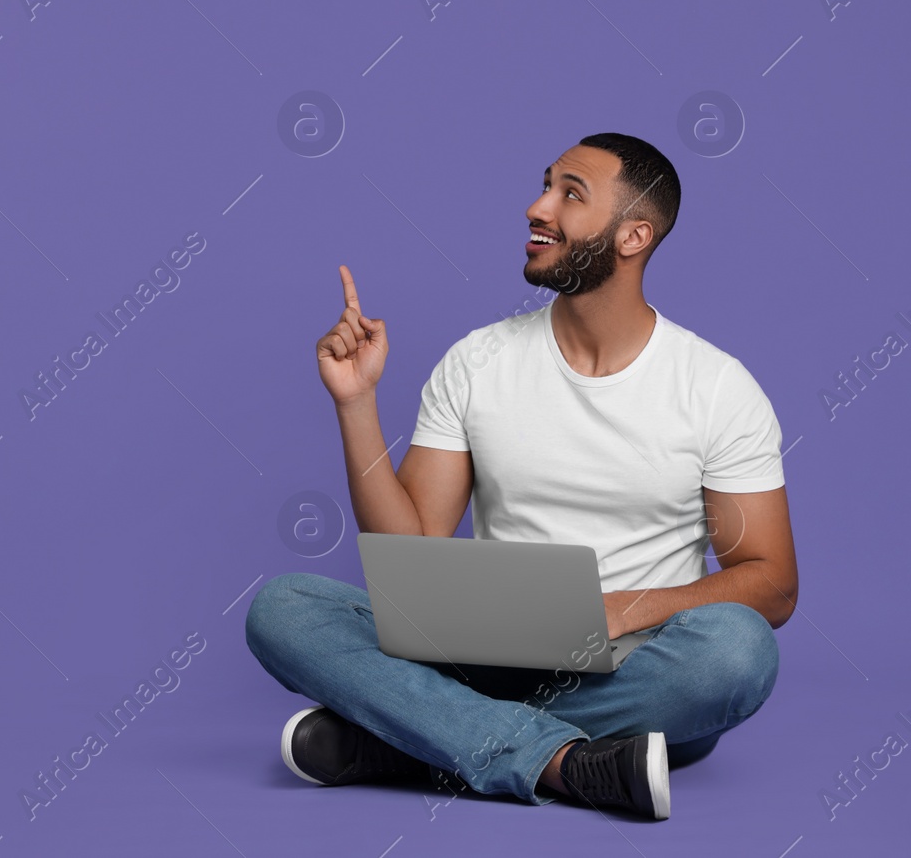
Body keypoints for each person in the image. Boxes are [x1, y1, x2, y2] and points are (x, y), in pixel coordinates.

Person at [245, 133, 796, 820]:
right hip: (481, 648)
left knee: (737, 654)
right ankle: (567, 761)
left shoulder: (715, 387)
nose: (538, 207)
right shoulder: (479, 362)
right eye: (545, 185)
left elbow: (770, 582)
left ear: (633, 236)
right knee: (284, 606)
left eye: (571, 193)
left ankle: (423, 737)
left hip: (634, 665)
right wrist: (356, 404)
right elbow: (412, 542)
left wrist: (618, 608)